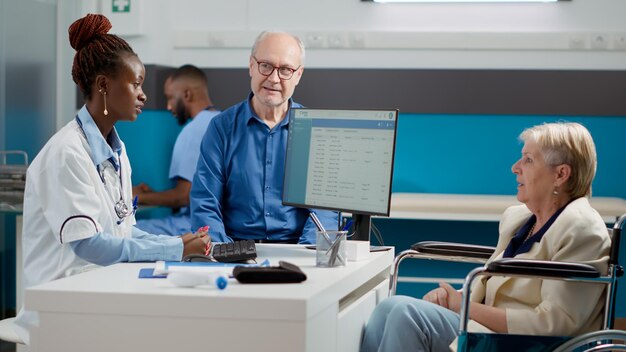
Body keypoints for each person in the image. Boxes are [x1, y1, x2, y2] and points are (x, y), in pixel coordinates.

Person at [13, 14, 210, 345]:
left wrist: (178, 243)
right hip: (59, 307)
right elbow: (89, 244)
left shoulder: (116, 153)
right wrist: (175, 248)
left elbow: (124, 229)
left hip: (96, 291)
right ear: (103, 85)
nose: (143, 94)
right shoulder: (66, 154)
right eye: (136, 83)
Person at [360, 122, 611, 352]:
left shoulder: (581, 229)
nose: (515, 168)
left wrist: (463, 306)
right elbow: (493, 287)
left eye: (528, 160)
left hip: (529, 344)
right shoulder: (521, 221)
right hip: (488, 330)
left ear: (560, 174)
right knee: (387, 309)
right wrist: (451, 299)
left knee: (405, 314)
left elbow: (555, 323)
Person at [190, 31, 338, 244]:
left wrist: (305, 256)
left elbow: (325, 210)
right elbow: (205, 202)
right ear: (251, 66)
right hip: (236, 248)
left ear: (298, 74)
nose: (274, 78)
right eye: (265, 66)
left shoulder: (316, 132)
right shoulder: (221, 128)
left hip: (298, 249)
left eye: (286, 69)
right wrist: (225, 252)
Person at [133, 64, 219, 236]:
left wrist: (135, 197)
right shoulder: (221, 122)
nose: (169, 107)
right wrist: (155, 194)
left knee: (124, 232)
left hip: (193, 227)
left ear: (187, 94)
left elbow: (184, 196)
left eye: (171, 98)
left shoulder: (194, 130)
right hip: (217, 225)